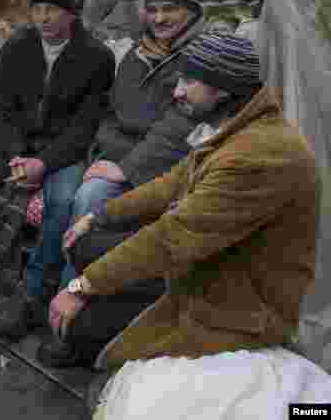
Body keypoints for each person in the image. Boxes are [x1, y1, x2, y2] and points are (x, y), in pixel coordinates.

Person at [47, 34, 317, 386]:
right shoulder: (236, 128)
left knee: (81, 327)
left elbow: (171, 238)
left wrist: (82, 287)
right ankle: (102, 322)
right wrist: (100, 215)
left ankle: (100, 352)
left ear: (221, 88)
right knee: (83, 243)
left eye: (188, 80)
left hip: (237, 299)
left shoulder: (258, 155)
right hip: (211, 264)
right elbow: (173, 182)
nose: (176, 92)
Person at [0, 0, 115, 340]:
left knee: (64, 201)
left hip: (60, 150)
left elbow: (86, 125)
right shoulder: (19, 45)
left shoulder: (96, 56)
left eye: (53, 10)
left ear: (71, 14)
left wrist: (44, 163)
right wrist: (14, 155)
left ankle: (35, 295)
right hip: (16, 145)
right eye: (37, 9)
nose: (44, 17)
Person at [69, 0, 208, 235]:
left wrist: (127, 168)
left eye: (170, 9)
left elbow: (180, 126)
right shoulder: (137, 52)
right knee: (73, 196)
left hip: (167, 168)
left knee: (90, 199)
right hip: (121, 156)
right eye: (152, 10)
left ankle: (82, 271)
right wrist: (100, 155)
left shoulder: (201, 57)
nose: (159, 18)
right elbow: (114, 110)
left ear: (192, 11)